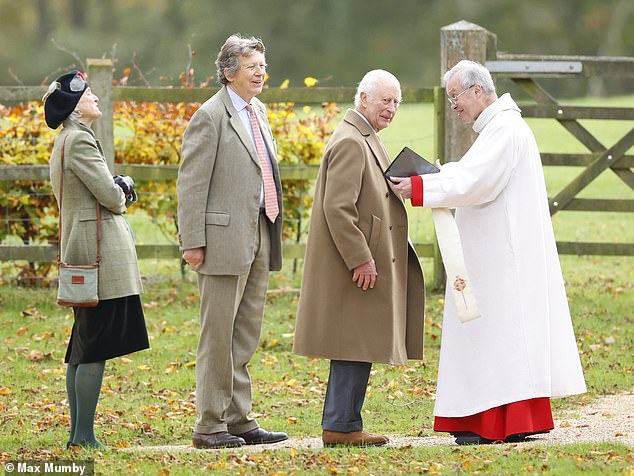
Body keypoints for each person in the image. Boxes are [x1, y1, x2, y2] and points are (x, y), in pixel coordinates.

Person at [392, 60, 587, 445]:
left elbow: (476, 182)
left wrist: (419, 186)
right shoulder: (501, 128)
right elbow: (470, 173)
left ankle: (493, 421)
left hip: (502, 259)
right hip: (499, 253)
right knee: (500, 336)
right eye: (448, 99)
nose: (453, 105)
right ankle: (499, 420)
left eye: (455, 96)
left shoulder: (505, 130)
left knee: (498, 335)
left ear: (478, 90)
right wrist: (438, 175)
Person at [293, 70, 426, 447]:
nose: (392, 108)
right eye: (385, 100)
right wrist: (360, 258)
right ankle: (341, 426)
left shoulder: (363, 135)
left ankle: (345, 423)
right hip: (354, 264)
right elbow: (338, 207)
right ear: (363, 98)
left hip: (363, 259)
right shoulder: (352, 141)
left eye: (397, 102)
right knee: (353, 341)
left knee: (357, 340)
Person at [177, 34, 288, 449]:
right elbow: (190, 183)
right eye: (252, 66)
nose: (261, 72)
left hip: (259, 230)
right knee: (218, 335)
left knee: (245, 334)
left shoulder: (257, 110)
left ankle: (239, 419)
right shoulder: (209, 116)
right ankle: (209, 424)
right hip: (221, 240)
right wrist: (193, 241)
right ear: (228, 72)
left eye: (262, 64)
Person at [45, 70, 149, 449]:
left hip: (85, 252)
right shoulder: (80, 141)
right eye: (89, 94)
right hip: (99, 257)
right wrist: (124, 188)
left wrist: (115, 185)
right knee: (94, 347)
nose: (96, 99)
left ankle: (79, 434)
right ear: (75, 106)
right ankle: (84, 437)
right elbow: (109, 194)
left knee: (84, 345)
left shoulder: (65, 140)